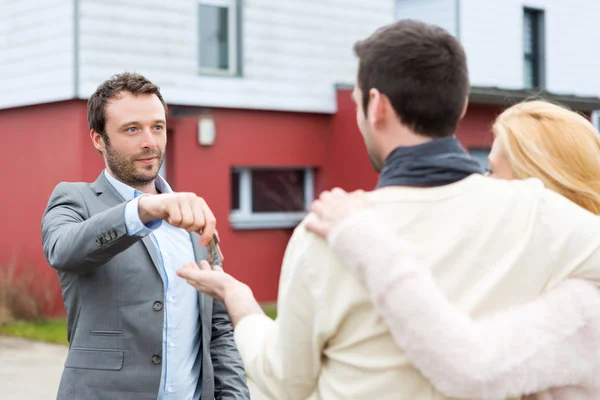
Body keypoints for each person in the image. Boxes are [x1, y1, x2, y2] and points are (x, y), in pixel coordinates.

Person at [177, 20, 600, 400]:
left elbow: (285, 382)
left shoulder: (326, 231)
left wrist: (242, 306)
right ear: (463, 103)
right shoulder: (540, 214)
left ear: (376, 106)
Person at [303, 100, 600, 399]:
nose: (483, 185)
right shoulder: (546, 276)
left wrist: (362, 238)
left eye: (493, 172)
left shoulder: (583, 307)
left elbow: (473, 371)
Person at [41, 72, 250, 400]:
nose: (150, 142)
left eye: (157, 126)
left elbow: (218, 330)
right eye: (132, 129)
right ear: (98, 139)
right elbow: (64, 250)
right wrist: (144, 210)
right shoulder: (73, 199)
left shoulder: (192, 218)